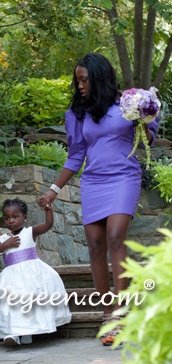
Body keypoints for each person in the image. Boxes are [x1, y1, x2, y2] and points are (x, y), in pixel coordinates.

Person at [38, 53, 159, 346]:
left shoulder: (129, 103)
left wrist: (142, 117)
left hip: (124, 177)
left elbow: (149, 139)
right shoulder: (77, 112)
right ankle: (107, 314)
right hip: (93, 181)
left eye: (84, 80)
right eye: (77, 80)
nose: (79, 85)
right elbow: (76, 154)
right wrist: (54, 189)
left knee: (116, 237)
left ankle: (120, 314)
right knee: (95, 246)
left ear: (99, 77)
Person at [0, 198, 71, 346]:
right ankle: (11, 333)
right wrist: (5, 245)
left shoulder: (31, 232)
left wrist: (48, 210)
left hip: (31, 273)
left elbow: (48, 225)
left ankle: (28, 333)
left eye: (15, 217)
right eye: (7, 218)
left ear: (25, 217)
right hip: (11, 276)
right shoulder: (4, 238)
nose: (11, 221)